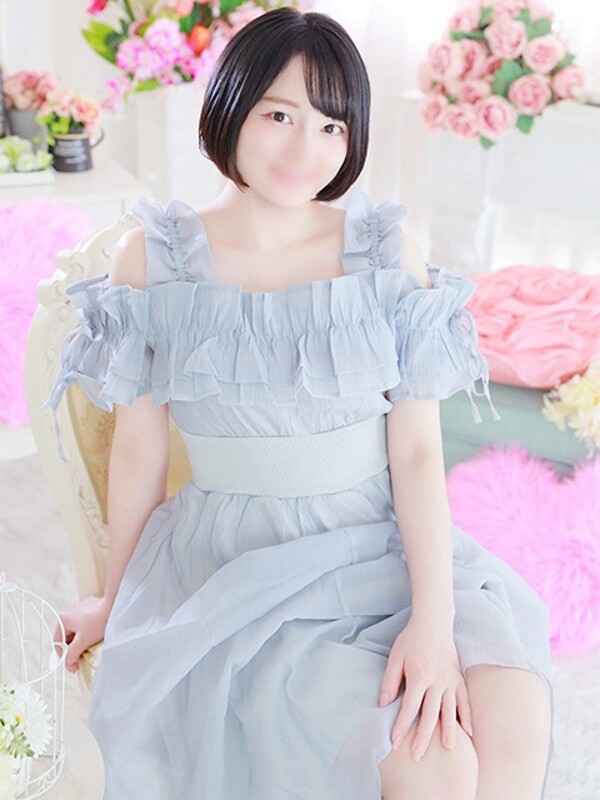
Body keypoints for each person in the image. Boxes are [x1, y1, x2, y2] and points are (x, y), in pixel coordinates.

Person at [39, 6, 555, 800]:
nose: (303, 148)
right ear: (232, 105)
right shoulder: (156, 261)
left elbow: (418, 451)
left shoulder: (386, 253)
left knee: (515, 716)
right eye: (279, 115)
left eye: (330, 126)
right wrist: (117, 597)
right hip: (238, 562)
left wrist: (432, 619)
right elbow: (140, 451)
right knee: (435, 763)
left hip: (381, 541)